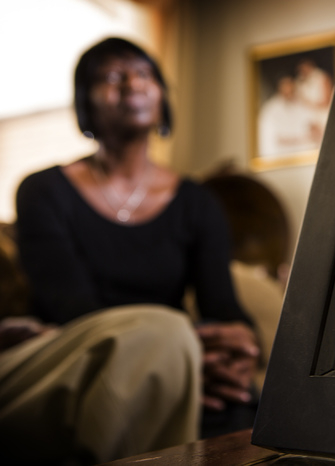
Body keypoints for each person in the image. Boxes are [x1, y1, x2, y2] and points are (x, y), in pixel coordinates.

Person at [0, 37, 259, 464]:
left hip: (175, 354)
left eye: (144, 74)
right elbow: (73, 308)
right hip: (79, 352)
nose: (132, 84)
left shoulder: (198, 202)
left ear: (162, 96)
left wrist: (238, 343)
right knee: (162, 343)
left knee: (238, 408)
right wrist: (179, 356)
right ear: (85, 101)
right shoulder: (43, 190)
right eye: (112, 76)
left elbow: (223, 306)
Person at [258, 75, 320, 158]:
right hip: (279, 158)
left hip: (304, 157)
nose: (289, 90)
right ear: (279, 87)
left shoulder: (302, 104)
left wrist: (314, 130)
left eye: (291, 87)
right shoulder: (269, 110)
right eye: (285, 86)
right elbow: (272, 140)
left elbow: (314, 126)